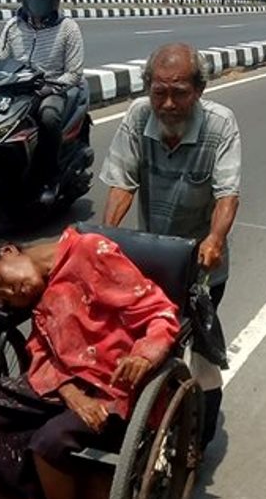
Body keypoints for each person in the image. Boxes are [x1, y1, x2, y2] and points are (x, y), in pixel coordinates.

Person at [0, 227, 180, 499]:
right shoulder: (37, 294)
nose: (11, 294)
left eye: (0, 280)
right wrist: (72, 394)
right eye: (3, 300)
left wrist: (143, 356)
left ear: (9, 251)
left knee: (47, 440)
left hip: (116, 386)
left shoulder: (91, 252)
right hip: (67, 387)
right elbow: (41, 351)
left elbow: (159, 313)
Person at [99, 42, 241, 450]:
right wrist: (107, 238)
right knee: (136, 338)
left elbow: (227, 194)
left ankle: (200, 435)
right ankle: (137, 419)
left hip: (202, 264)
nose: (168, 103)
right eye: (159, 91)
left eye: (179, 92)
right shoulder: (138, 117)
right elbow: (123, 182)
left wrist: (215, 239)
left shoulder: (219, 124)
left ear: (198, 90)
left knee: (201, 352)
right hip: (153, 258)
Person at [0, 0, 84, 204]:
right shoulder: (13, 25)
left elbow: (74, 73)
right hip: (16, 88)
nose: (35, 1)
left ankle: (49, 177)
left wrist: (50, 87)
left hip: (50, 89)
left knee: (48, 117)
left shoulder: (68, 28)